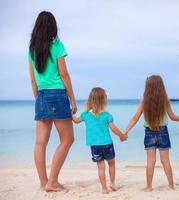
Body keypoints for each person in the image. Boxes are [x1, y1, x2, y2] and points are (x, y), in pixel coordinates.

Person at [28, 11, 77, 192]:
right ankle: (53, 181)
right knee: (68, 139)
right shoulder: (56, 44)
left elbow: (33, 80)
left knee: (40, 142)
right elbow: (63, 74)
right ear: (52, 26)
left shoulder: (32, 48)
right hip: (57, 93)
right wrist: (72, 98)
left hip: (41, 95)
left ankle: (43, 182)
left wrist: (39, 99)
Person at [124, 75, 179, 192]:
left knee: (150, 161)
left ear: (147, 87)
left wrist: (126, 131)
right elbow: (173, 117)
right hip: (163, 131)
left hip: (149, 132)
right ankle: (171, 185)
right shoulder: (165, 100)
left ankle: (149, 187)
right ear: (161, 87)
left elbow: (135, 118)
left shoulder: (145, 101)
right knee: (165, 161)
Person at [72, 87, 127, 194]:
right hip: (107, 144)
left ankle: (104, 189)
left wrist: (71, 113)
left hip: (95, 146)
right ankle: (112, 183)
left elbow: (76, 121)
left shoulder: (86, 115)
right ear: (104, 100)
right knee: (111, 164)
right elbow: (113, 128)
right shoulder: (107, 116)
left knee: (101, 167)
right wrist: (122, 135)